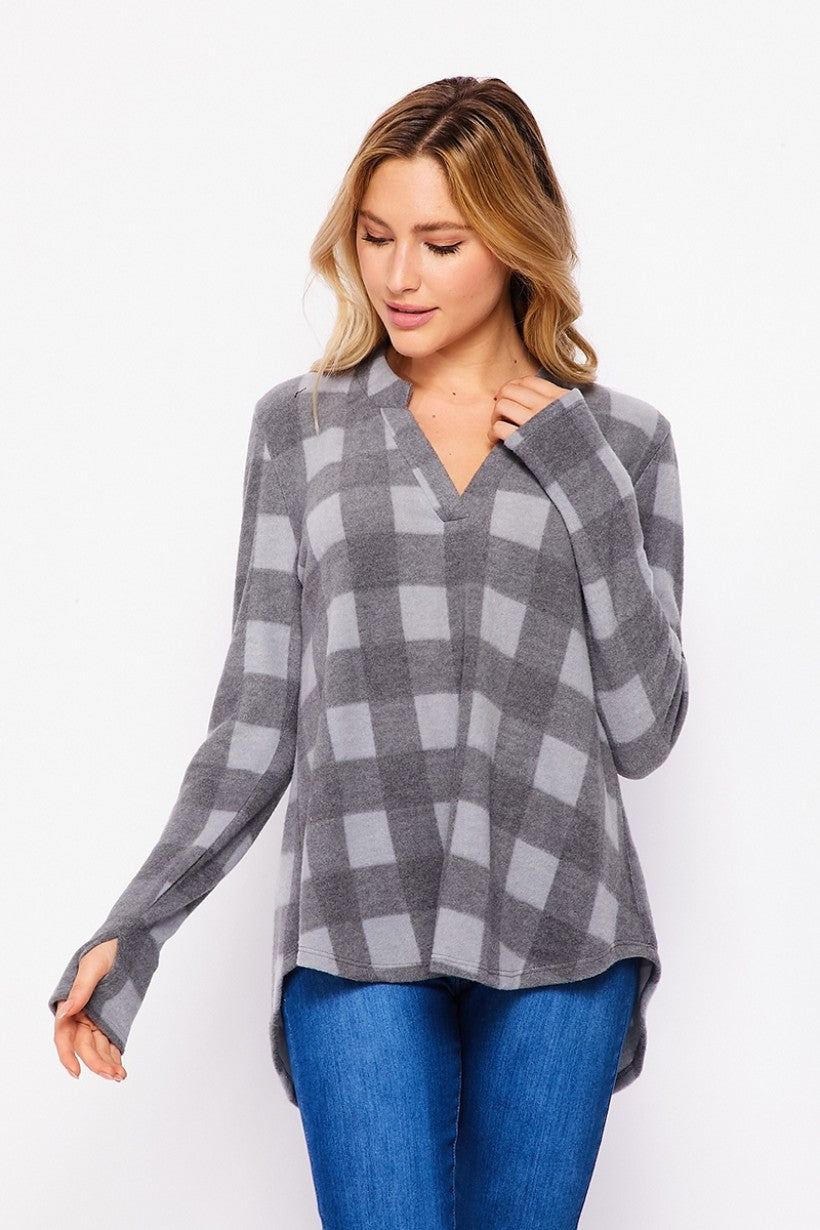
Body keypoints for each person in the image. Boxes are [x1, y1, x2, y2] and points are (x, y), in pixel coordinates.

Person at [50, 76, 689, 1228]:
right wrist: (132, 926)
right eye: (375, 236)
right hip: (354, 914)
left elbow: (645, 731)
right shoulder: (300, 430)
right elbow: (255, 725)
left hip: (562, 920)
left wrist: (581, 475)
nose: (398, 275)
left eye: (439, 244)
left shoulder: (624, 441)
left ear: (514, 241)